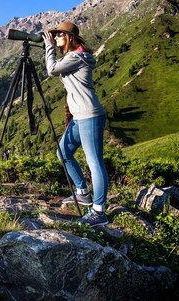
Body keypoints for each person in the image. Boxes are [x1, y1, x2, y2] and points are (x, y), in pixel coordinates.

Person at [42, 21, 109, 227]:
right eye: (55, 35)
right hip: (79, 116)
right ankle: (82, 193)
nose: (56, 37)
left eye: (60, 34)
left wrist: (48, 47)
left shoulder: (76, 57)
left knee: (94, 162)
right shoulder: (74, 56)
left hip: (89, 115)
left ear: (69, 37)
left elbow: (51, 69)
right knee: (63, 153)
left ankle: (99, 212)